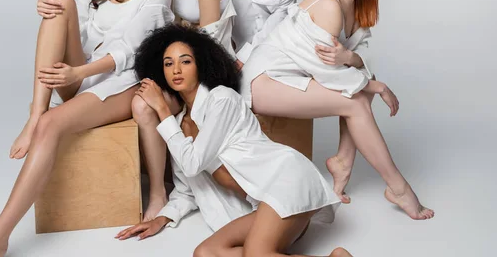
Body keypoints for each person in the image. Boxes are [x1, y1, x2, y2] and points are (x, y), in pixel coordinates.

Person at [0, 0, 174, 257]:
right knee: (60, 2)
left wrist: (77, 74)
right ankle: (34, 113)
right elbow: (78, 29)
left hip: (123, 81)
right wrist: (50, 12)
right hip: (85, 74)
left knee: (53, 124)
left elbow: (131, 48)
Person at [241, 0, 435, 220]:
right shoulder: (331, 6)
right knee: (356, 97)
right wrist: (376, 85)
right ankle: (397, 187)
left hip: (294, 78)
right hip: (263, 81)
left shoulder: (355, 4)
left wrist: (352, 59)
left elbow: (347, 64)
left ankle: (343, 163)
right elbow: (330, 74)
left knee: (359, 90)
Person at [115, 24, 348, 257]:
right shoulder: (177, 126)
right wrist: (162, 218)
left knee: (256, 253)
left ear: (201, 65)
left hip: (285, 183)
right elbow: (187, 188)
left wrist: (162, 110)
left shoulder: (221, 100)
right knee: (206, 252)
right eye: (168, 63)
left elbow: (193, 163)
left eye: (185, 61)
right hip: (265, 207)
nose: (176, 69)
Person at [136, 0, 238, 220]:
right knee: (141, 103)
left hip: (213, 69)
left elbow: (206, 45)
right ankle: (158, 193)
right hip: (186, 64)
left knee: (157, 100)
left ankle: (182, 187)